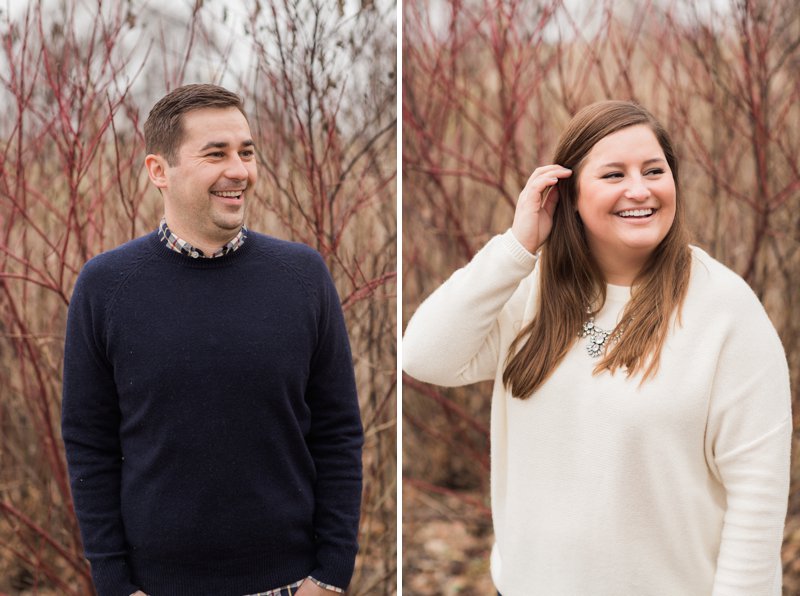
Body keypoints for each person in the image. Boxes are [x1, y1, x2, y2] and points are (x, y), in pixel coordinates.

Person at [403, 100, 791, 595]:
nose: (640, 189)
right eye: (613, 174)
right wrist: (517, 247)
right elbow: (423, 355)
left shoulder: (725, 307)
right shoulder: (528, 291)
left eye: (655, 170)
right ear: (569, 195)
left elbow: (756, 494)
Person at [61, 84, 363, 596]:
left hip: (291, 584)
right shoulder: (106, 286)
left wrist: (331, 575)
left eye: (246, 151)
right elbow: (89, 444)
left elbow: (337, 432)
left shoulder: (302, 277)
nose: (239, 170)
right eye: (215, 154)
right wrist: (114, 583)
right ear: (160, 171)